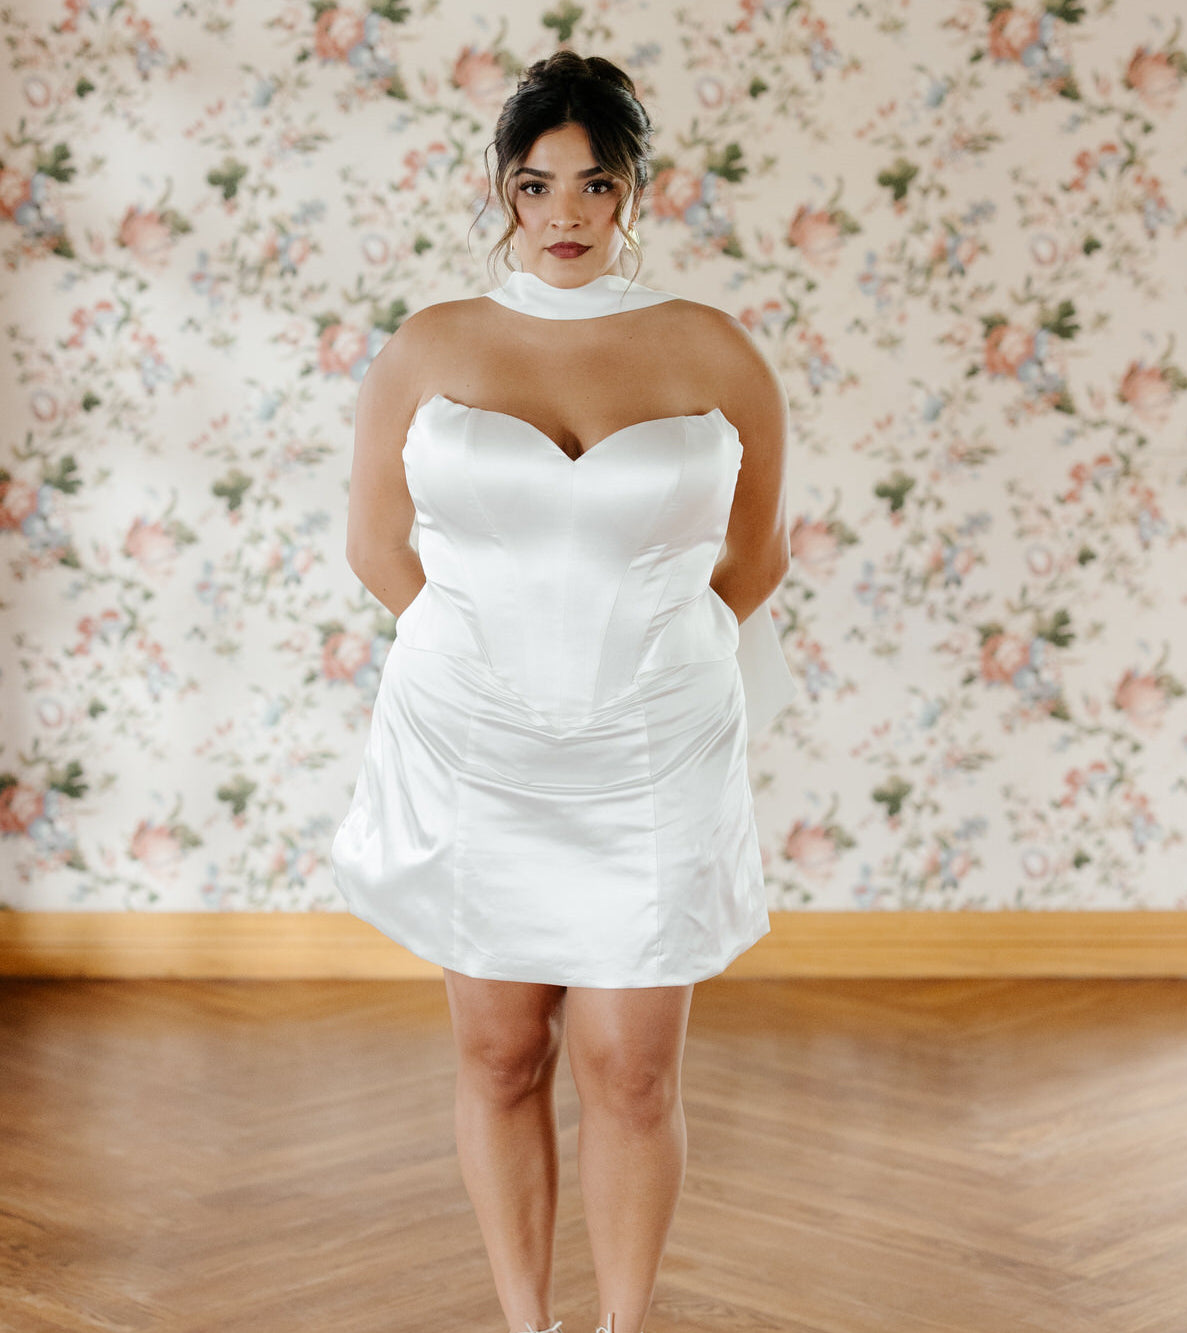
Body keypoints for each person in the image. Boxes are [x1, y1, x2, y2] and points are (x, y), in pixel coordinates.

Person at [332, 50, 792, 1333]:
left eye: (595, 185)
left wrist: (654, 665)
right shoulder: (431, 346)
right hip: (475, 742)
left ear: (633, 189)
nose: (566, 215)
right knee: (499, 1052)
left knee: (631, 1069)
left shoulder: (714, 350)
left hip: (653, 746)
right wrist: (476, 664)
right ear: (505, 191)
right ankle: (526, 1322)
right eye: (538, 186)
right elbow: (376, 546)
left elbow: (757, 556)